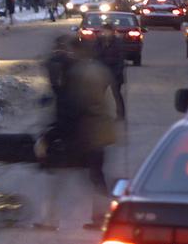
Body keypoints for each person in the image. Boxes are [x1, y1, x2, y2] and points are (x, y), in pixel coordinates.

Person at [35, 39, 117, 231]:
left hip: (82, 135)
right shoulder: (98, 69)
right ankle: (102, 218)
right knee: (96, 177)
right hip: (99, 133)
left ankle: (50, 219)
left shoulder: (77, 75)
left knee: (58, 175)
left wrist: (49, 136)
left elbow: (71, 110)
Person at [94, 23, 126, 119]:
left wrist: (117, 72)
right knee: (99, 94)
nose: (105, 33)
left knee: (116, 94)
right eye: (103, 31)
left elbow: (121, 58)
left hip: (115, 72)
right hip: (102, 72)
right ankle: (98, 114)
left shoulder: (118, 42)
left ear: (112, 32)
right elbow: (95, 55)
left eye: (107, 31)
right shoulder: (99, 42)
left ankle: (120, 115)